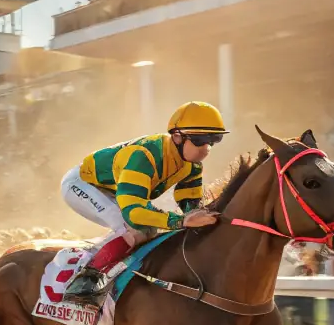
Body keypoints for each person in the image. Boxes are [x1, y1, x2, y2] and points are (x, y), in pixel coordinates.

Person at [60, 101, 225, 306]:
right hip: (82, 184)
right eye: (199, 140)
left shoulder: (192, 166)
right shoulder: (143, 157)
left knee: (151, 230)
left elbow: (189, 203)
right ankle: (83, 282)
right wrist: (180, 221)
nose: (206, 148)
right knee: (136, 230)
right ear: (177, 137)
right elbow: (134, 213)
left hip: (115, 190)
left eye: (213, 140)